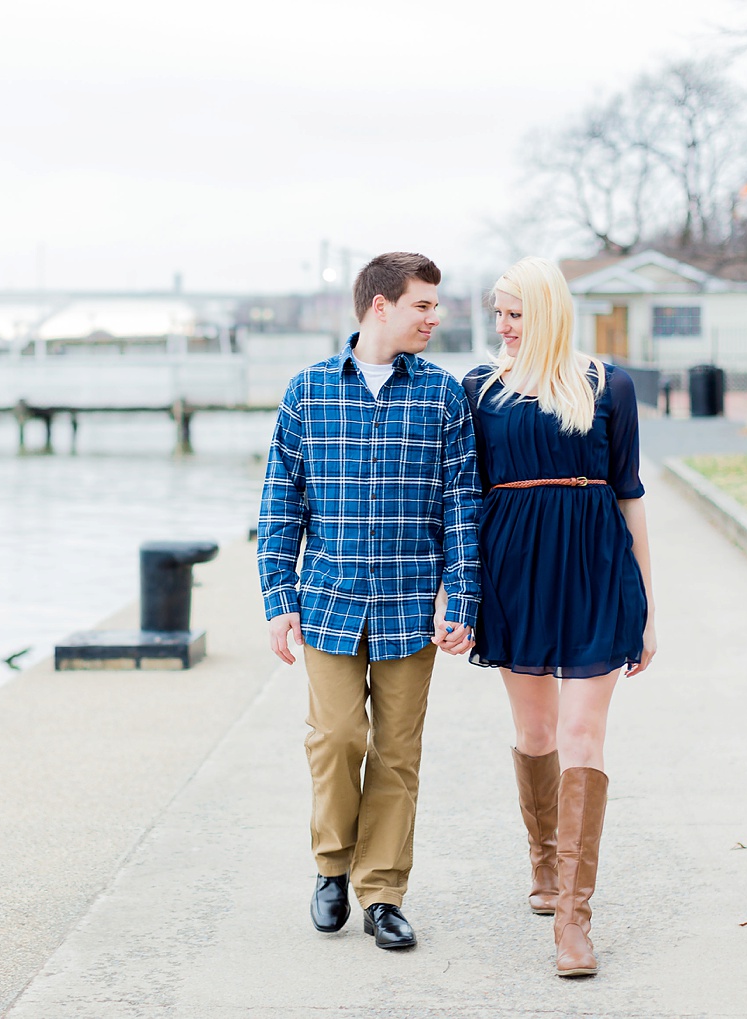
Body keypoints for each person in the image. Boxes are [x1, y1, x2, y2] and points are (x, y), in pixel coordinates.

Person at [258, 252, 480, 951]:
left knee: (396, 752)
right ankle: (331, 867)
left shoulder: (443, 397)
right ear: (379, 305)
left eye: (435, 304)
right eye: (423, 304)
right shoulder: (308, 392)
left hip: (412, 605)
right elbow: (280, 502)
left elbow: (461, 504)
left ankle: (382, 891)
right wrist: (277, 597)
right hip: (327, 600)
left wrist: (460, 593)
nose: (434, 317)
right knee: (337, 739)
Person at [463, 256, 655, 978]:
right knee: (536, 730)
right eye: (498, 314)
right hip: (514, 573)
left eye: (515, 313)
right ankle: (544, 863)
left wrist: (648, 601)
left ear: (547, 311)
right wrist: (461, 591)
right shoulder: (480, 389)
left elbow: (630, 492)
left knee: (582, 732)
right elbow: (465, 498)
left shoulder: (609, 385)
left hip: (596, 570)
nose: (504, 327)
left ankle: (574, 920)